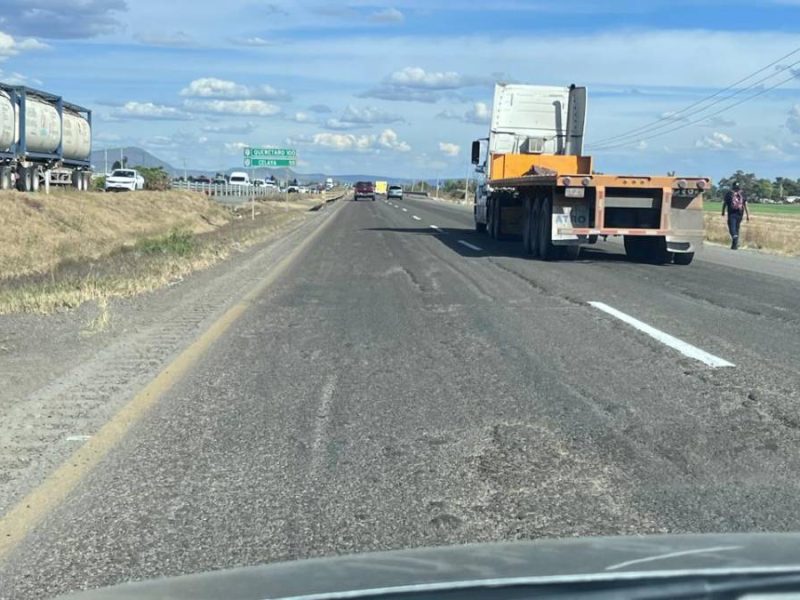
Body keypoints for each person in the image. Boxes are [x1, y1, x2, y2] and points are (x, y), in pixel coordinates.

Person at [722, 182, 750, 250]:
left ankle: (735, 238)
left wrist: (723, 211)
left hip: (731, 213)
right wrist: (748, 215)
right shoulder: (743, 194)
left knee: (732, 228)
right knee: (737, 228)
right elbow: (746, 205)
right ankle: (734, 246)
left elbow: (725, 204)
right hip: (740, 213)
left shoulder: (729, 194)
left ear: (733, 186)